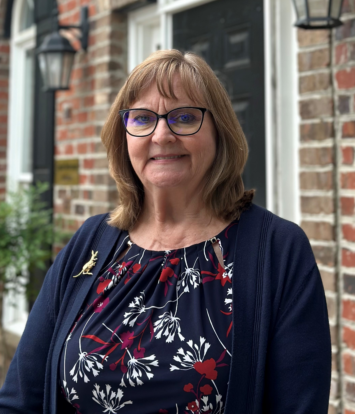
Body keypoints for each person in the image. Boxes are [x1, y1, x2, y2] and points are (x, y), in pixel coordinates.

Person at [0, 49, 331, 414]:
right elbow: (21, 398)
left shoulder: (278, 250)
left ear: (219, 131)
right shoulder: (90, 242)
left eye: (184, 117)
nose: (162, 135)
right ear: (124, 136)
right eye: (142, 119)